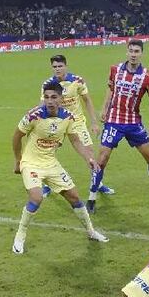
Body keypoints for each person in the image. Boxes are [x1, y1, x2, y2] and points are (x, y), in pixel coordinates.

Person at [11, 82, 108, 254]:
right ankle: (20, 235)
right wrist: (18, 160)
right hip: (31, 163)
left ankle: (91, 232)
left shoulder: (68, 117)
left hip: (51, 163)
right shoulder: (34, 115)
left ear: (61, 99)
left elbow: (76, 141)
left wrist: (89, 159)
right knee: (36, 197)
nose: (49, 101)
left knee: (75, 197)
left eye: (54, 97)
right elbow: (17, 137)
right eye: (46, 97)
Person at [88, 39, 149, 214]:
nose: (133, 54)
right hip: (114, 121)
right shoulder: (115, 69)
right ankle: (91, 197)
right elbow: (111, 89)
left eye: (137, 51)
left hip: (134, 123)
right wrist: (104, 108)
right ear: (126, 52)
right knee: (102, 159)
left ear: (141, 53)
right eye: (131, 51)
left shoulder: (148, 76)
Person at [39, 54, 115, 199]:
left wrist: (93, 122)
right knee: (48, 153)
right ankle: (48, 184)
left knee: (89, 152)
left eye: (60, 66)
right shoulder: (48, 84)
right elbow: (42, 105)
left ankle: (98, 183)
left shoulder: (77, 81)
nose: (57, 69)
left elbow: (87, 101)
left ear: (66, 66)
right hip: (57, 122)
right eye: (54, 67)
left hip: (76, 122)